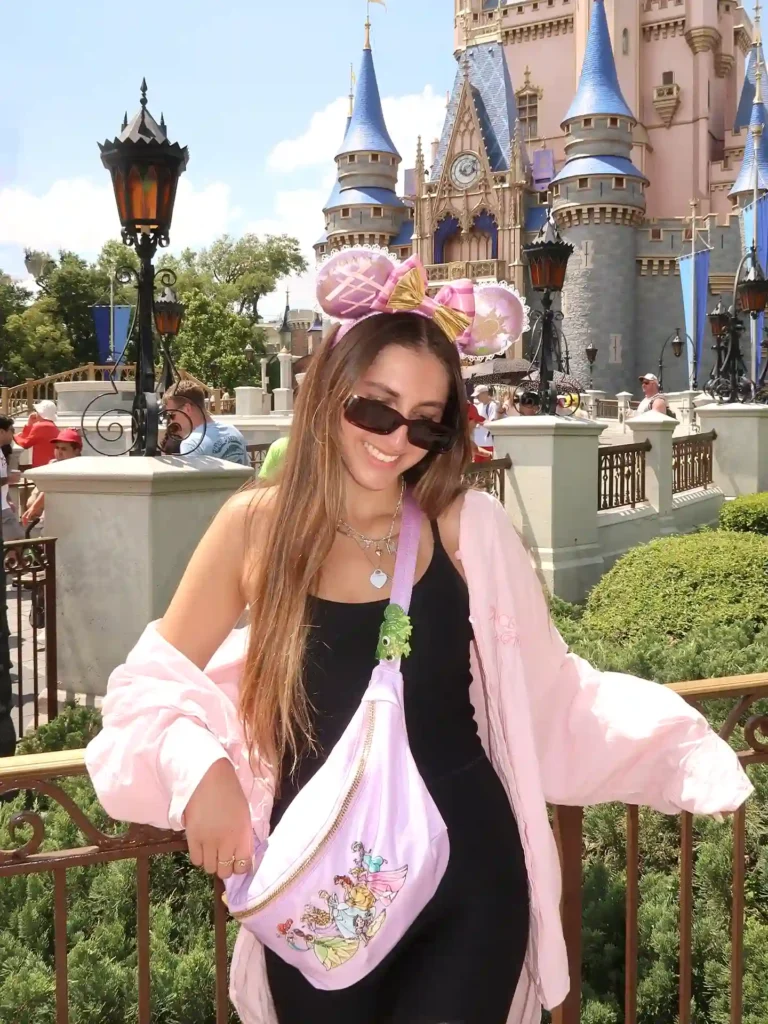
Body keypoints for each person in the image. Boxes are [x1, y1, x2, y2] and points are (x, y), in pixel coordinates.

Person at [85, 250, 751, 1024]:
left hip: (468, 883)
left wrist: (680, 749)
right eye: (375, 407)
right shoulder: (253, 529)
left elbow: (549, 692)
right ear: (330, 388)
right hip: (321, 894)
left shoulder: (470, 527)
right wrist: (200, 770)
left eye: (427, 423)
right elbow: (147, 685)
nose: (396, 438)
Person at [163, 381, 249, 466]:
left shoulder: (192, 444)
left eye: (172, 415)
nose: (171, 421)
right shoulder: (233, 430)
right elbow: (248, 474)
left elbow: (192, 480)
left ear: (187, 409)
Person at [21, 428, 82, 529]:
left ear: (76, 450)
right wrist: (33, 502)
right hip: (52, 518)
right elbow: (42, 489)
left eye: (64, 449)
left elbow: (51, 487)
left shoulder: (78, 467)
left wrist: (34, 507)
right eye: (57, 448)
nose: (59, 452)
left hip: (72, 519)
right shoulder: (53, 464)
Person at [14, 399, 59, 468]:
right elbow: (28, 438)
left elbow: (25, 444)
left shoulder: (40, 426)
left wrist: (15, 436)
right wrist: (30, 424)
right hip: (51, 465)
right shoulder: (53, 426)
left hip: (41, 466)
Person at [0, 416, 23, 541]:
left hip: (3, 506)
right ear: (1, 432)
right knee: (17, 540)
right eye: (11, 430)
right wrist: (9, 479)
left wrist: (7, 499)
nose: (13, 433)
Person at [470, 383, 498, 450]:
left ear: (485, 393)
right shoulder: (479, 406)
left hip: (488, 443)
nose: (476, 398)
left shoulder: (492, 406)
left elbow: (493, 423)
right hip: (477, 443)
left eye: (478, 395)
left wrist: (479, 421)